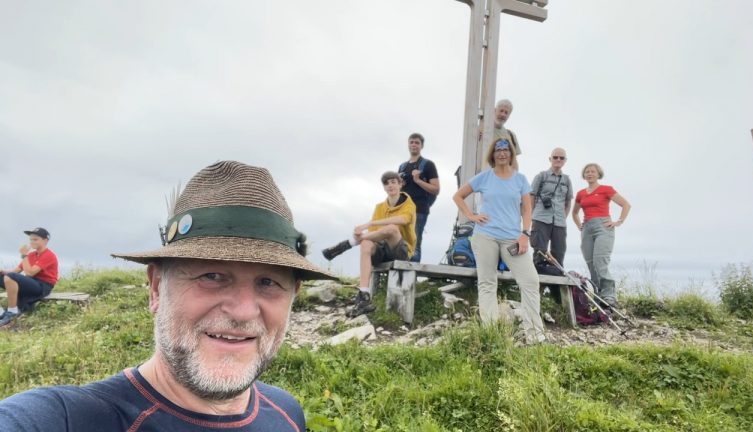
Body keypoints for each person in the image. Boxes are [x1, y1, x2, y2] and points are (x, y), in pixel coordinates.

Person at [0, 161, 337, 431]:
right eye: (212, 275)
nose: (244, 311)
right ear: (156, 287)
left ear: (294, 295)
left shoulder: (287, 413)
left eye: (268, 282)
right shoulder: (69, 419)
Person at [453, 138, 545, 344]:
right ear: (493, 155)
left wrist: (525, 233)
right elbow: (458, 196)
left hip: (513, 237)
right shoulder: (484, 177)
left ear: (511, 154)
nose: (502, 153)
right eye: (498, 150)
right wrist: (472, 215)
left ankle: (534, 334)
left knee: (530, 281)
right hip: (485, 235)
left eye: (505, 150)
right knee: (487, 282)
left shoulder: (520, 179)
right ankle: (491, 333)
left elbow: (527, 209)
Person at [322, 171, 416, 317]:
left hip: (400, 251)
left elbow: (403, 220)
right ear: (384, 187)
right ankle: (364, 296)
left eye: (393, 182)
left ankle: (351, 243)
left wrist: (370, 223)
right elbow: (373, 234)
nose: (390, 185)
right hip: (382, 251)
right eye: (386, 183)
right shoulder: (380, 207)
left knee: (392, 228)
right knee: (366, 243)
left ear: (400, 184)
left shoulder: (408, 203)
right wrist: (364, 235)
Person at [572, 163, 631, 309]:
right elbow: (574, 212)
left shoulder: (606, 190)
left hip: (603, 227)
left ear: (598, 174)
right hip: (587, 228)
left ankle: (609, 295)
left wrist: (619, 221)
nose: (590, 174)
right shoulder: (581, 193)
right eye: (587, 172)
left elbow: (625, 204)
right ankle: (598, 295)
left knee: (600, 261)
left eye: (593, 171)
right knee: (591, 262)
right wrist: (579, 224)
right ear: (584, 175)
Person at [0, 227, 59, 326]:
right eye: (31, 239)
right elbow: (16, 271)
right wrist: (2, 271)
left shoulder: (49, 255)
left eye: (35, 239)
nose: (32, 242)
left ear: (45, 241)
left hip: (43, 286)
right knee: (8, 275)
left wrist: (24, 256)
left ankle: (12, 311)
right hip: (31, 282)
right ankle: (1, 312)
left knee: (11, 276)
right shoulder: (31, 255)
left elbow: (30, 273)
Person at [397, 132, 440, 263]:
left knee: (414, 241)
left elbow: (436, 189)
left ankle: (411, 278)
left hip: (419, 209)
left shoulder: (428, 165)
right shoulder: (402, 167)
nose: (414, 145)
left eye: (417, 143)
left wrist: (418, 180)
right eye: (411, 142)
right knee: (399, 241)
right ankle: (401, 274)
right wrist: (400, 185)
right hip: (402, 209)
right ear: (408, 144)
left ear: (421, 146)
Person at [530, 148, 573, 267]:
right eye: (555, 157)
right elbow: (531, 196)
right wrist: (533, 215)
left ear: (565, 160)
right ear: (550, 159)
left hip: (559, 221)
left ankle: (556, 283)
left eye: (561, 158)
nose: (558, 159)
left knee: (559, 254)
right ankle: (537, 284)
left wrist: (563, 217)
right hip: (541, 219)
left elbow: (568, 201)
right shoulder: (541, 176)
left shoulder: (567, 180)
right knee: (540, 251)